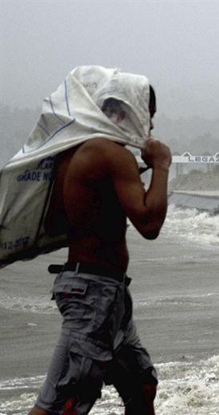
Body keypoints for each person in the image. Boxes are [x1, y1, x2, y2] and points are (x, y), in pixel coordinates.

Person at [28, 84, 172, 415]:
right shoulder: (111, 155)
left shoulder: (76, 153)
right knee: (62, 403)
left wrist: (113, 187)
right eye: (147, 117)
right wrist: (162, 165)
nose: (150, 128)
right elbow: (149, 225)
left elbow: (56, 222)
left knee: (141, 385)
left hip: (101, 292)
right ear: (125, 114)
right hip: (95, 294)